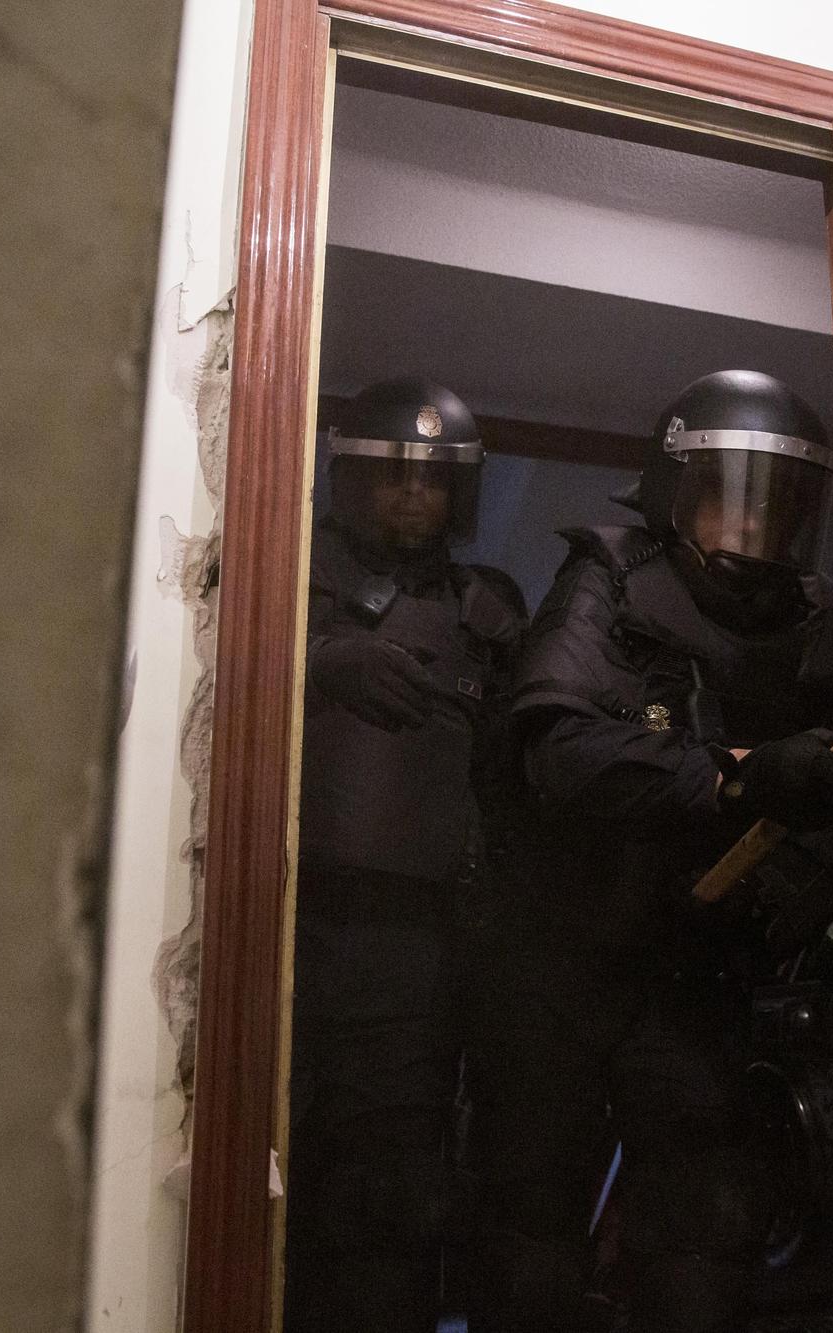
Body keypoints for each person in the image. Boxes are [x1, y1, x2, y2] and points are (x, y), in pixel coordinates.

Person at [465, 370, 833, 1333]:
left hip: (701, 978)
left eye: (777, 508)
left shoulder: (822, 622)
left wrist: (806, 884)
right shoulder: (609, 577)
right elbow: (557, 752)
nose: (752, 532)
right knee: (528, 1235)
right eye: (730, 501)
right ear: (672, 491)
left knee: (705, 1239)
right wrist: (727, 778)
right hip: (560, 961)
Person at [283, 376, 526, 1333]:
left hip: (426, 944)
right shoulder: (289, 573)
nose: (414, 495)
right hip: (296, 923)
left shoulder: (486, 608)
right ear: (353, 478)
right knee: (278, 1165)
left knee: (391, 1195)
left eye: (433, 479)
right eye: (393, 475)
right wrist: (316, 662)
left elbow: (523, 769)